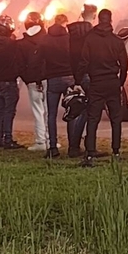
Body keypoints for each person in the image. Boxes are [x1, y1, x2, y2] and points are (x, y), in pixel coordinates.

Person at [78, 9, 128, 167]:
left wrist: (80, 80)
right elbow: (124, 64)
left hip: (96, 82)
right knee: (116, 118)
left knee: (93, 118)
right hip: (112, 82)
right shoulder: (117, 41)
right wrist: (120, 82)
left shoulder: (90, 39)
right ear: (111, 20)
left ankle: (90, 153)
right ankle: (116, 151)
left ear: (99, 20)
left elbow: (83, 61)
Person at [43, 14, 82, 159]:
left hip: (52, 78)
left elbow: (40, 59)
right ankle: (72, 146)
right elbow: (75, 57)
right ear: (65, 23)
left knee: (51, 114)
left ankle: (53, 147)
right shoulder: (69, 38)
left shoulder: (45, 39)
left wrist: (41, 76)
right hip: (68, 77)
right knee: (71, 111)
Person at [0, 15, 23, 150]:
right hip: (9, 80)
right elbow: (18, 60)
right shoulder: (10, 43)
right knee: (9, 111)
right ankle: (8, 139)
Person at [66, 4, 98, 157]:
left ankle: (72, 145)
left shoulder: (71, 33)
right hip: (87, 74)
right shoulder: (92, 34)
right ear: (94, 16)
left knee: (74, 108)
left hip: (73, 74)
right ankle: (83, 145)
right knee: (87, 110)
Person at [19, 12, 50, 153]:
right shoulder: (47, 39)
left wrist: (28, 79)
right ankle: (50, 140)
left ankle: (40, 141)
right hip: (47, 79)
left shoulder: (22, 43)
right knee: (49, 111)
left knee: (38, 112)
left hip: (32, 81)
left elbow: (20, 65)